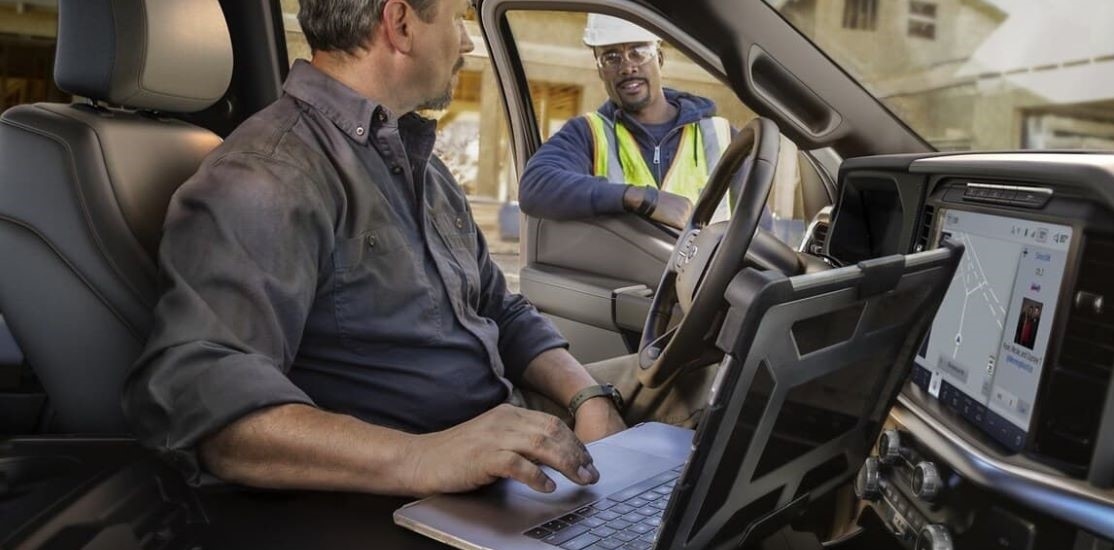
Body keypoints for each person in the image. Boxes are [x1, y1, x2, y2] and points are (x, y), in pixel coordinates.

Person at [123, 0, 625, 498]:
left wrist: (587, 397)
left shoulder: (421, 166)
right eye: (458, 20)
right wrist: (423, 456)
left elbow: (499, 308)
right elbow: (201, 396)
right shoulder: (268, 175)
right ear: (401, 24)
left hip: (504, 432)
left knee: (686, 393)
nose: (468, 42)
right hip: (416, 479)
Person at [518, 14, 733, 229]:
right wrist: (640, 198)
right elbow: (535, 186)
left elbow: (756, 231)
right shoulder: (587, 133)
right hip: (621, 263)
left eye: (638, 52)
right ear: (600, 70)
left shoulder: (723, 136)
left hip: (707, 263)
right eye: (611, 57)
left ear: (659, 58)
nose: (627, 67)